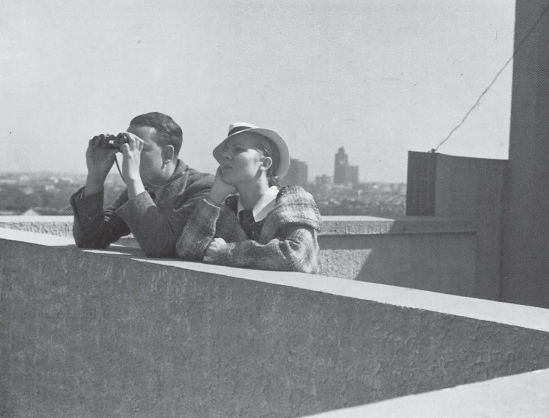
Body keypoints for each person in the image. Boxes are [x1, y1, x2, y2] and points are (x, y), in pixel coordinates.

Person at [176, 122, 321, 273]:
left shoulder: (294, 200)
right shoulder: (225, 211)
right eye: (225, 151)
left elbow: (297, 258)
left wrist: (227, 252)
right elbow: (187, 250)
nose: (225, 156)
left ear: (264, 163)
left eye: (238, 149)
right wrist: (215, 196)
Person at [70, 112, 213, 257]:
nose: (130, 155)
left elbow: (160, 246)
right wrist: (95, 176)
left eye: (139, 149)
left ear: (168, 154)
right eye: (128, 149)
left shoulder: (204, 189)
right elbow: (91, 239)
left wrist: (133, 179)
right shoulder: (143, 189)